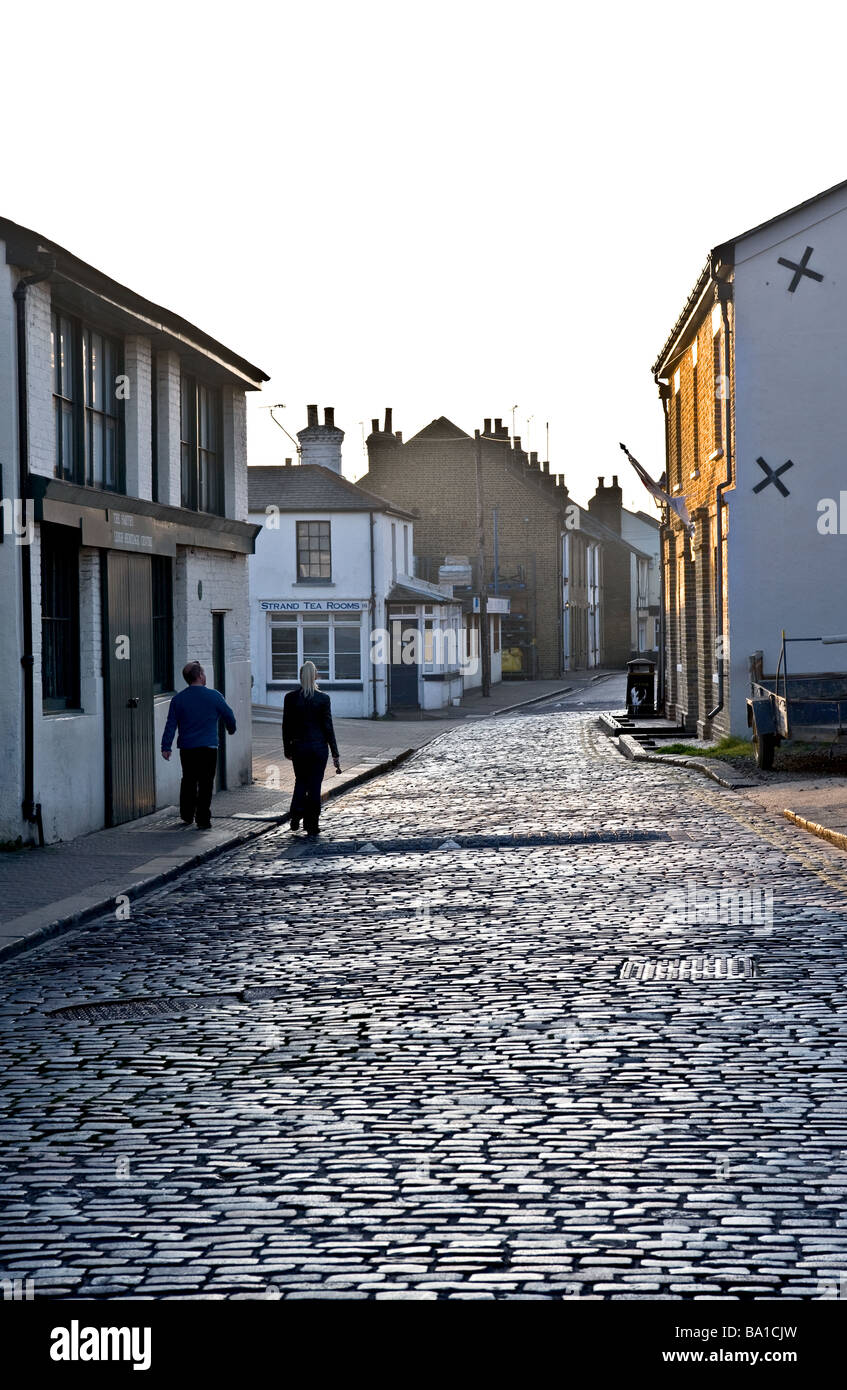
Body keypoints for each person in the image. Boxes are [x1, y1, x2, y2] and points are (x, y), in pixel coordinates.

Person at [161, 661, 236, 829]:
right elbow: (229, 715)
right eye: (203, 673)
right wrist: (231, 729)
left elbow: (170, 724)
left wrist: (166, 746)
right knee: (206, 782)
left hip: (187, 748)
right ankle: (203, 818)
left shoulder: (178, 699)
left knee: (188, 780)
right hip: (208, 747)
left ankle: (187, 814)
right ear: (200, 675)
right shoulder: (214, 696)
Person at [282, 661, 341, 837]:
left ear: (301, 676)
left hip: (299, 747)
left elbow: (286, 726)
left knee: (300, 781)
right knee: (314, 786)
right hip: (318, 748)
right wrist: (335, 753)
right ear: (315, 676)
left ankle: (296, 814)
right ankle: (312, 824)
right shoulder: (323, 699)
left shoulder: (290, 698)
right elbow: (328, 727)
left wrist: (287, 749)